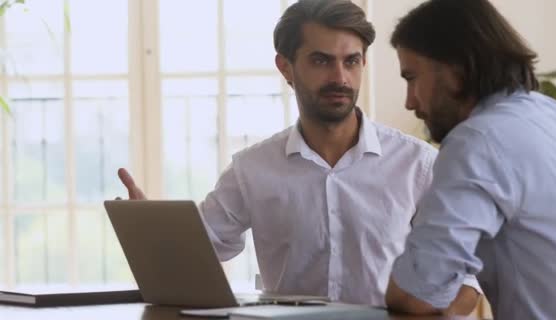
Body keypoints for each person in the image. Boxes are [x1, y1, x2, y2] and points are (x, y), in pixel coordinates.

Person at [118, 0, 480, 310]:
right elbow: (193, 256)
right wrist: (150, 232)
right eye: (321, 61)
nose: (340, 77)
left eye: (351, 61)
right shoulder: (252, 169)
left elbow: (467, 286)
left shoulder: (418, 165)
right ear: (285, 67)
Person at [384, 0, 556, 319]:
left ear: (457, 70)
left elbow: (416, 296)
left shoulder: (478, 141)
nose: (409, 102)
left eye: (411, 77)